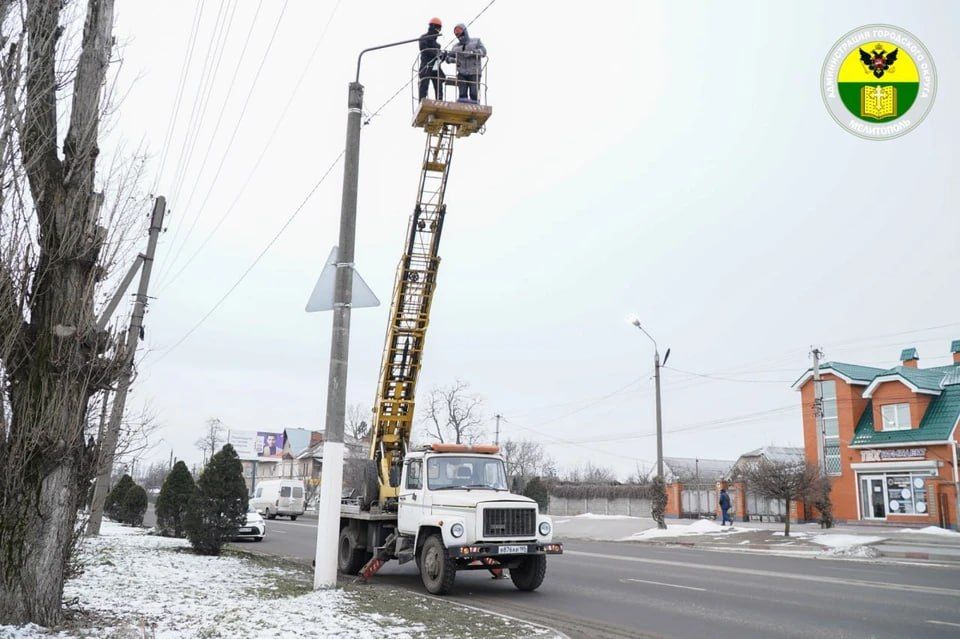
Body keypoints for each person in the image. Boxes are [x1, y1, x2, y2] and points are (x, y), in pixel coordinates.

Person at [447, 23, 486, 102]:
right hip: (461, 72)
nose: (459, 36)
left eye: (460, 33)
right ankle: (462, 106)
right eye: (457, 34)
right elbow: (448, 57)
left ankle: (475, 108)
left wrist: (474, 52)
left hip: (474, 72)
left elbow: (484, 52)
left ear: (465, 31)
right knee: (462, 93)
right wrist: (452, 60)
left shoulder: (476, 41)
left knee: (474, 93)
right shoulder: (455, 47)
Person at [418, 17, 445, 101]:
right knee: (424, 84)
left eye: (439, 28)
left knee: (438, 83)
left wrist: (442, 56)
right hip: (426, 65)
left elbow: (439, 58)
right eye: (436, 27)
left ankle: (439, 100)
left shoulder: (437, 45)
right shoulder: (424, 38)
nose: (438, 30)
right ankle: (422, 100)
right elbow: (423, 49)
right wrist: (436, 54)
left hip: (435, 66)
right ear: (432, 26)